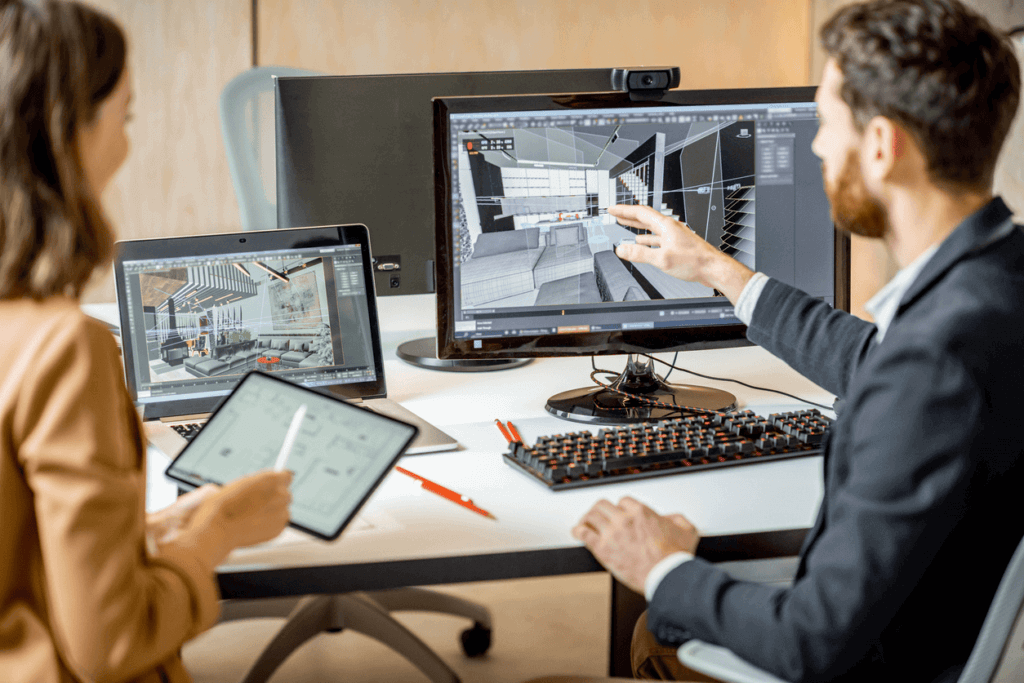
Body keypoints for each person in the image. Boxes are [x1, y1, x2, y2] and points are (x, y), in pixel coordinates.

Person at [570, 1, 1024, 681]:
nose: (814, 146)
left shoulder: (935, 364)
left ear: (881, 145)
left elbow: (810, 642)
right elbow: (878, 359)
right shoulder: (997, 282)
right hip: (933, 622)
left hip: (875, 660)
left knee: (646, 628)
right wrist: (720, 271)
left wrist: (661, 565)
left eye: (824, 123)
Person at [0, 2, 293, 681]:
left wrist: (146, 535)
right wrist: (214, 536)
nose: (127, 145)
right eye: (124, 116)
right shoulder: (62, 352)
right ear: (70, 129)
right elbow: (110, 644)